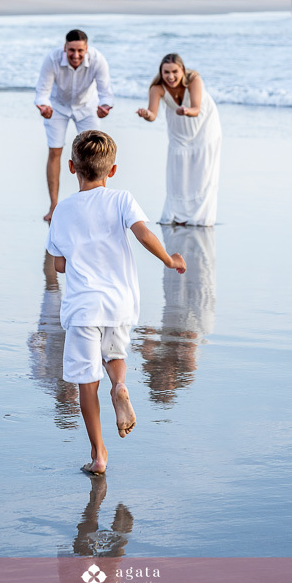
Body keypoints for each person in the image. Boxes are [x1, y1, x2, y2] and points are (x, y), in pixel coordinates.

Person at [46, 129, 186, 476]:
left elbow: (59, 264)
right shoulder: (122, 199)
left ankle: (98, 455)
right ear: (112, 170)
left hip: (83, 307)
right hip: (120, 303)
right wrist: (169, 260)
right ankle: (120, 386)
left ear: (71, 167)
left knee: (85, 381)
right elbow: (143, 234)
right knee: (116, 355)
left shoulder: (63, 211)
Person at [35, 29, 113, 222]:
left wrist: (105, 107)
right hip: (58, 107)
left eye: (80, 50)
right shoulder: (52, 59)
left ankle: (96, 204)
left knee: (96, 153)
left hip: (87, 106)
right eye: (71, 50)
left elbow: (106, 92)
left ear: (86, 48)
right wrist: (43, 106)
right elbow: (42, 91)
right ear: (65, 48)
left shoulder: (98, 59)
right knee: (55, 151)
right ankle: (54, 207)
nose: (76, 55)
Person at [137, 53, 221, 226]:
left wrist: (186, 111)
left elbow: (196, 109)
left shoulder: (194, 80)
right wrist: (146, 114)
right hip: (178, 128)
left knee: (203, 173)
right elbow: (152, 114)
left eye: (174, 71)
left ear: (182, 70)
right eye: (166, 72)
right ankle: (178, 216)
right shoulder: (157, 88)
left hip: (204, 125)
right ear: (161, 72)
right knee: (178, 174)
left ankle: (199, 218)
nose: (170, 76)